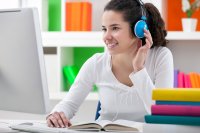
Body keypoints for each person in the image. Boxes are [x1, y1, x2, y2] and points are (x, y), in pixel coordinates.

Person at [47, 0, 174, 128]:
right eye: (104, 29)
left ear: (139, 30)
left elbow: (161, 114)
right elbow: (69, 104)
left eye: (115, 28)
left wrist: (139, 70)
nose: (106, 37)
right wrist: (56, 115)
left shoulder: (160, 57)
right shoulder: (96, 63)